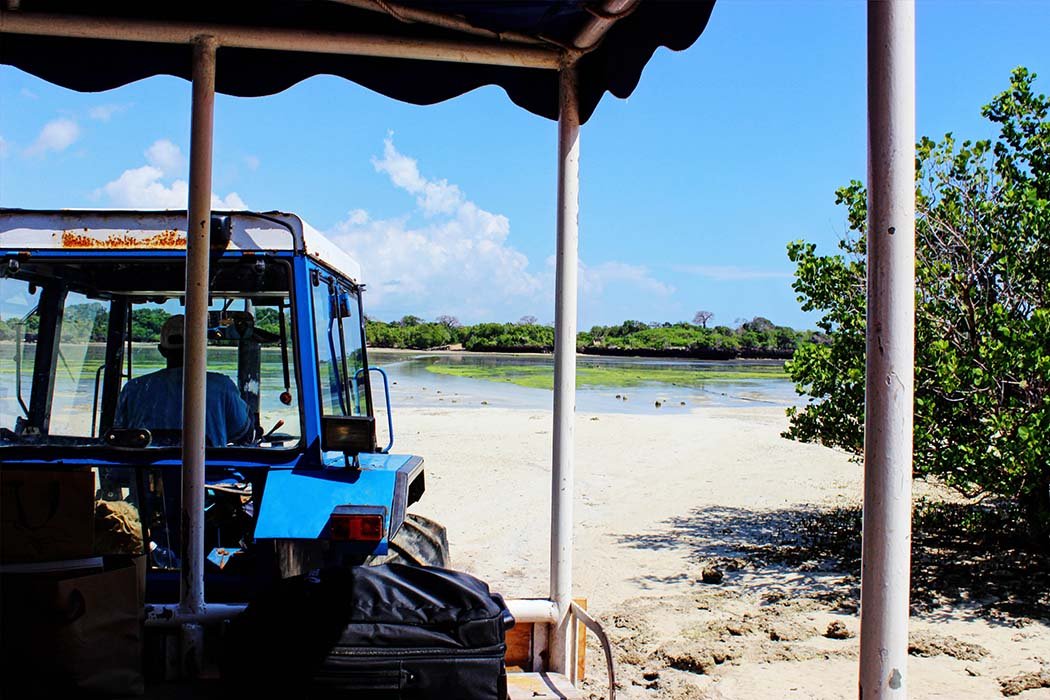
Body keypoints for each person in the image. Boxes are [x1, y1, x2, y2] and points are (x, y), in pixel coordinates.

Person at [113, 314, 253, 446]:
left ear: (162, 350)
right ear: (201, 348)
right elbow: (243, 434)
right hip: (209, 471)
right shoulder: (222, 386)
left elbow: (118, 434)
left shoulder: (133, 388)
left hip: (144, 470)